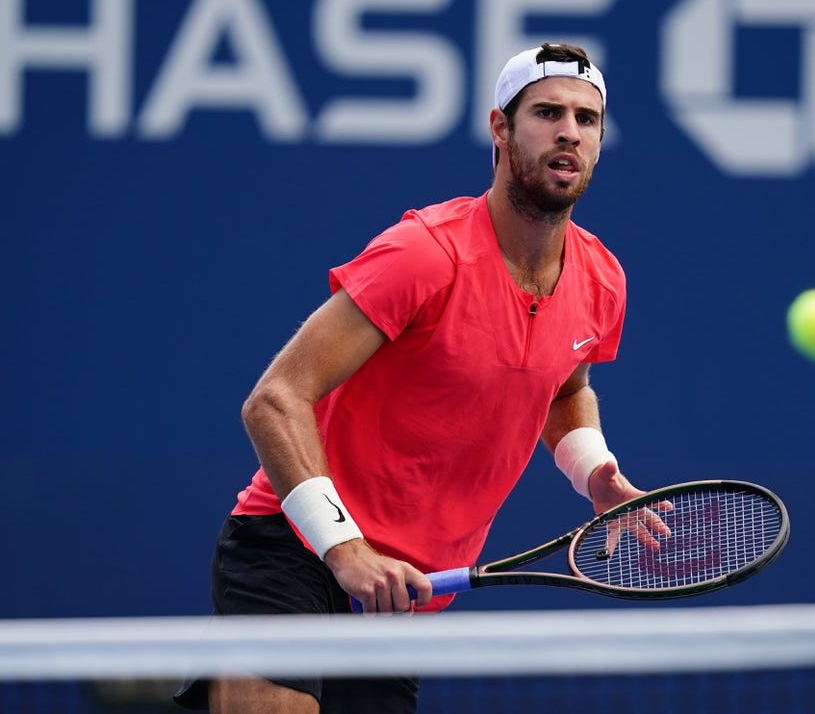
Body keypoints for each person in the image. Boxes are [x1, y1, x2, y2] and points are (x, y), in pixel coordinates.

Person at [175, 42, 649, 713]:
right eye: (547, 112)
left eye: (587, 118)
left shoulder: (603, 281)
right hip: (296, 547)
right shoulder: (426, 254)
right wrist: (344, 549)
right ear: (500, 129)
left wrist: (592, 470)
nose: (569, 130)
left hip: (407, 594)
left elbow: (563, 389)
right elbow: (275, 400)